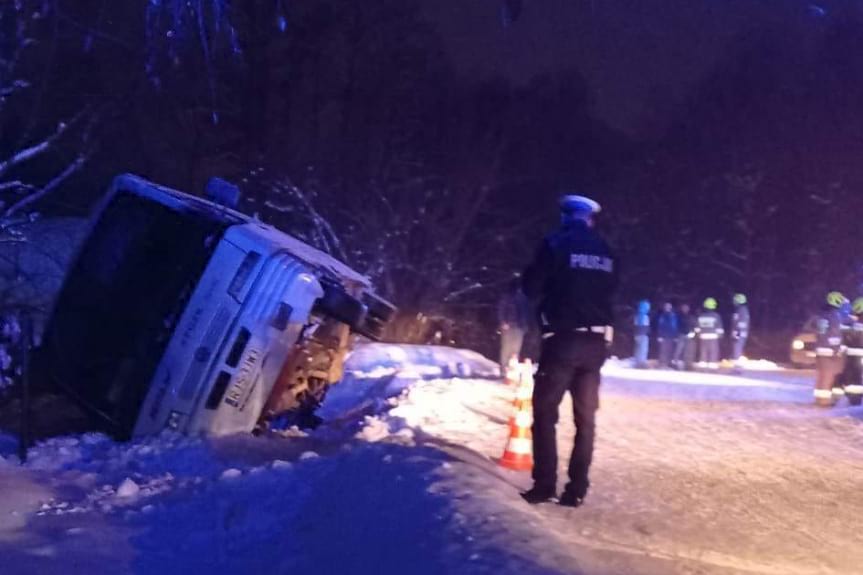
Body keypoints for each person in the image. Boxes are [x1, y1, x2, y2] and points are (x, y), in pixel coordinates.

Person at [520, 194, 617, 508]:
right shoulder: (607, 249)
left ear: (565, 216)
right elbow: (612, 289)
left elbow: (531, 287)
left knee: (545, 411)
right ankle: (576, 489)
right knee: (585, 419)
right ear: (590, 219)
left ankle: (544, 484)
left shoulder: (555, 243)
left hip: (563, 339)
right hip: (597, 342)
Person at [814, 292, 847, 407]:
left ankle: (819, 399)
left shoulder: (822, 314)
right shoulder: (834, 315)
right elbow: (835, 334)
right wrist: (837, 348)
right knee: (828, 377)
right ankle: (824, 402)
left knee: (822, 377)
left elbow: (821, 333)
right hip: (829, 351)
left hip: (821, 350)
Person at [498, 278, 531, 367]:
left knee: (512, 349)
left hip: (516, 326)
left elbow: (525, 312)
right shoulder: (510, 297)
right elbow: (501, 310)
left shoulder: (521, 298)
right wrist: (503, 321)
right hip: (512, 326)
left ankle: (510, 368)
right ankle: (506, 368)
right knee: (509, 348)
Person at [695, 298, 724, 369]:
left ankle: (703, 363)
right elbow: (719, 327)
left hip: (703, 336)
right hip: (713, 336)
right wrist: (720, 335)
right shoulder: (716, 316)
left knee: (703, 350)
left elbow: (697, 328)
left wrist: (698, 335)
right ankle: (712, 364)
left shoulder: (701, 316)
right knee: (713, 350)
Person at [655, 302, 679, 368]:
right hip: (664, 336)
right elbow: (660, 326)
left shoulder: (673, 315)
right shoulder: (662, 316)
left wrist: (675, 336)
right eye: (666, 306)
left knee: (670, 350)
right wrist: (659, 336)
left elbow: (675, 326)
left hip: (671, 336)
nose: (668, 307)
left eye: (669, 306)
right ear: (664, 307)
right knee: (663, 350)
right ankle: (662, 363)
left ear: (671, 307)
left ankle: (668, 363)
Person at [674, 303, 696, 370]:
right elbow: (676, 326)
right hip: (681, 335)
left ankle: (687, 365)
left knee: (688, 351)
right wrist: (676, 335)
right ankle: (677, 364)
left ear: (688, 309)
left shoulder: (691, 317)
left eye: (686, 308)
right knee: (679, 350)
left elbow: (694, 326)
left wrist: (693, 333)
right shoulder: (678, 316)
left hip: (689, 335)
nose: (685, 309)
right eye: (683, 307)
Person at [730, 293, 750, 364]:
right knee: (737, 349)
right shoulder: (740, 310)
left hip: (739, 333)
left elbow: (741, 324)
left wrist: (737, 333)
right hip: (740, 333)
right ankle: (737, 367)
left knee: (737, 350)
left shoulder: (742, 310)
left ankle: (737, 368)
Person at [633, 300, 651, 368]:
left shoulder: (637, 315)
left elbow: (635, 326)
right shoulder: (644, 316)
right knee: (643, 349)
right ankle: (641, 363)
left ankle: (637, 362)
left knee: (638, 348)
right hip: (643, 335)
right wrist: (647, 332)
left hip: (637, 334)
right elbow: (644, 326)